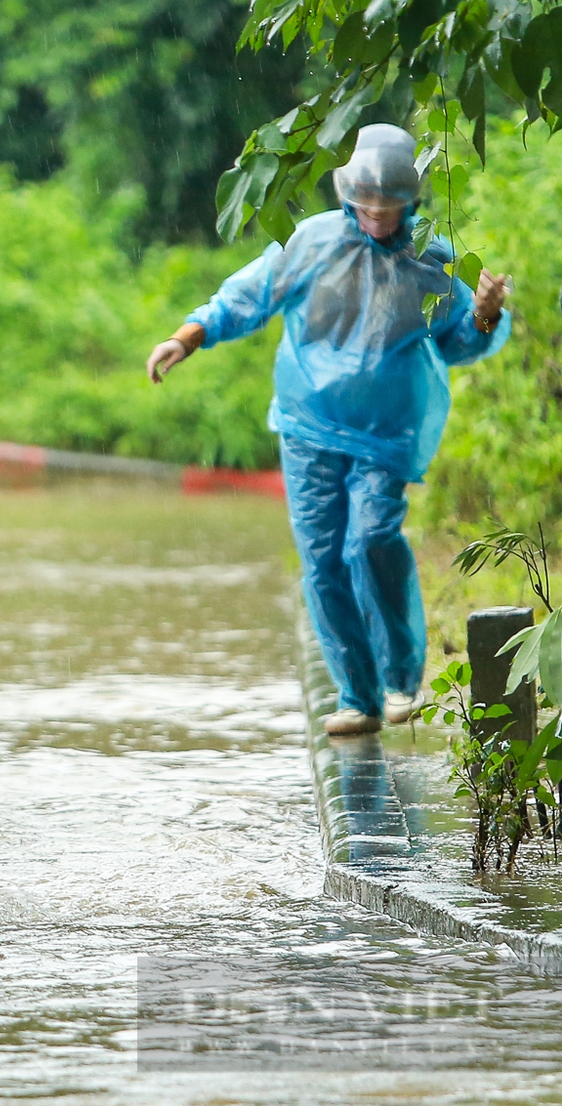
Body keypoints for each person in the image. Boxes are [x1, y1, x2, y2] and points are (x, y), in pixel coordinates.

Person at [145, 124, 513, 737]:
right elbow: (247, 296)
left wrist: (484, 312)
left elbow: (455, 345)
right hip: (308, 425)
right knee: (322, 559)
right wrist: (189, 336)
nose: (375, 215)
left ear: (410, 200)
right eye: (366, 202)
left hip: (387, 431)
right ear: (349, 195)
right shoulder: (312, 242)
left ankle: (399, 679)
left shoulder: (436, 259)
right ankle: (357, 696)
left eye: (388, 204)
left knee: (369, 542)